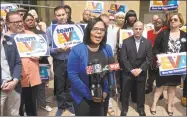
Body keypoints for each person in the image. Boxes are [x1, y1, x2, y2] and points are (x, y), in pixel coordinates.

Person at [68, 17, 113, 116]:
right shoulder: (76, 50)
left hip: (102, 96)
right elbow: (73, 76)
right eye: (95, 29)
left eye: (102, 30)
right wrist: (89, 94)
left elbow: (110, 71)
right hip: (83, 96)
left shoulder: (107, 49)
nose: (99, 32)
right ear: (89, 31)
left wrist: (106, 91)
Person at [151, 12, 186, 116]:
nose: (172, 21)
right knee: (159, 86)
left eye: (175, 20)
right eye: (171, 20)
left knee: (172, 87)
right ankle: (154, 104)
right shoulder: (163, 33)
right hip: (164, 65)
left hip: (177, 67)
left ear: (180, 22)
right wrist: (158, 57)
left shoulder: (184, 35)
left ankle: (169, 105)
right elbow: (155, 48)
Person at [120, 21, 152, 116]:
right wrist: (131, 70)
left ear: (143, 29)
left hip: (141, 72)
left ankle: (141, 109)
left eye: (140, 29)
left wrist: (140, 69)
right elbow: (123, 58)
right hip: (128, 72)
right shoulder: (126, 42)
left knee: (141, 92)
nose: (138, 30)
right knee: (125, 92)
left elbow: (149, 58)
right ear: (132, 29)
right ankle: (124, 109)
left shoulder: (147, 43)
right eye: (136, 29)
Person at [22, 13, 52, 112]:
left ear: (35, 21)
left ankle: (42, 103)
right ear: (24, 22)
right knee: (29, 86)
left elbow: (46, 49)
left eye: (32, 19)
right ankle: (29, 107)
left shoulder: (41, 33)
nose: (30, 21)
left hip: (42, 62)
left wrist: (40, 56)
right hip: (28, 64)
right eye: (27, 20)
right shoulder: (20, 35)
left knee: (41, 86)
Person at [46, 6, 73, 116]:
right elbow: (46, 48)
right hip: (59, 62)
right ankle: (61, 106)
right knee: (60, 86)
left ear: (67, 15)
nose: (61, 17)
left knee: (70, 85)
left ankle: (70, 105)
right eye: (59, 15)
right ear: (55, 16)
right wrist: (57, 50)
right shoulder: (50, 30)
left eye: (63, 14)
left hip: (72, 61)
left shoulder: (74, 28)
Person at [0, 13, 22, 116]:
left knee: (14, 114)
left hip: (14, 86)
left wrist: (15, 80)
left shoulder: (10, 40)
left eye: (1, 22)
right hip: (2, 87)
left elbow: (18, 62)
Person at [145, 18, 165, 96]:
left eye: (159, 23)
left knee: (159, 75)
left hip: (159, 56)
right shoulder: (149, 32)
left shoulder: (164, 32)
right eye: (156, 22)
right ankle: (149, 87)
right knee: (150, 74)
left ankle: (160, 93)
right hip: (150, 56)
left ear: (162, 25)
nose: (157, 23)